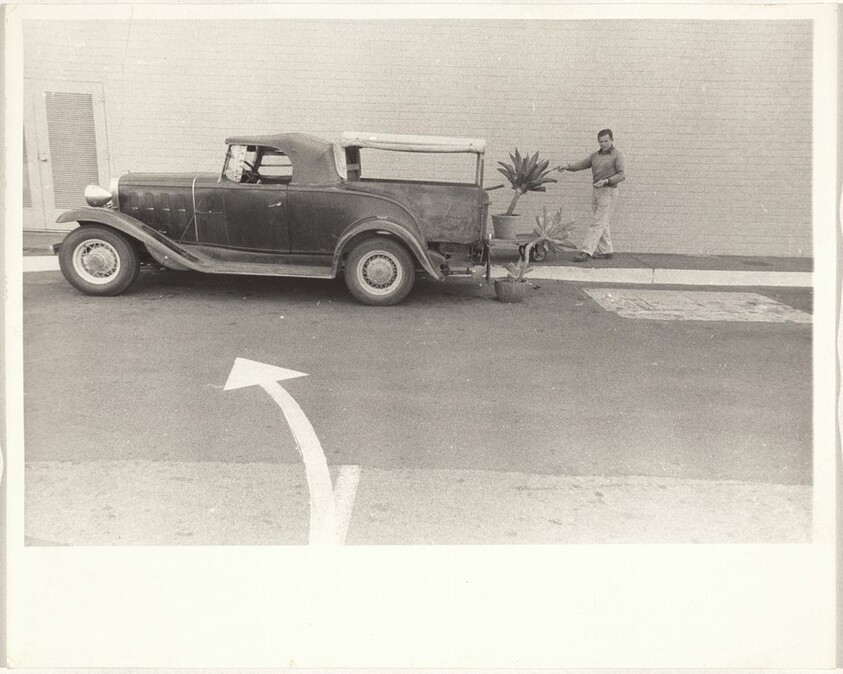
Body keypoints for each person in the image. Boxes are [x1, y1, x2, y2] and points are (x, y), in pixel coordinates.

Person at [557, 129, 626, 262]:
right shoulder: (595, 156)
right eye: (601, 141)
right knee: (601, 221)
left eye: (606, 141)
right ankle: (606, 251)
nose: (604, 144)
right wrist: (567, 166)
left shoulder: (618, 155)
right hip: (596, 191)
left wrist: (606, 181)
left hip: (609, 191)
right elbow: (582, 164)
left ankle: (586, 251)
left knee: (597, 222)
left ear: (612, 140)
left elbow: (621, 175)